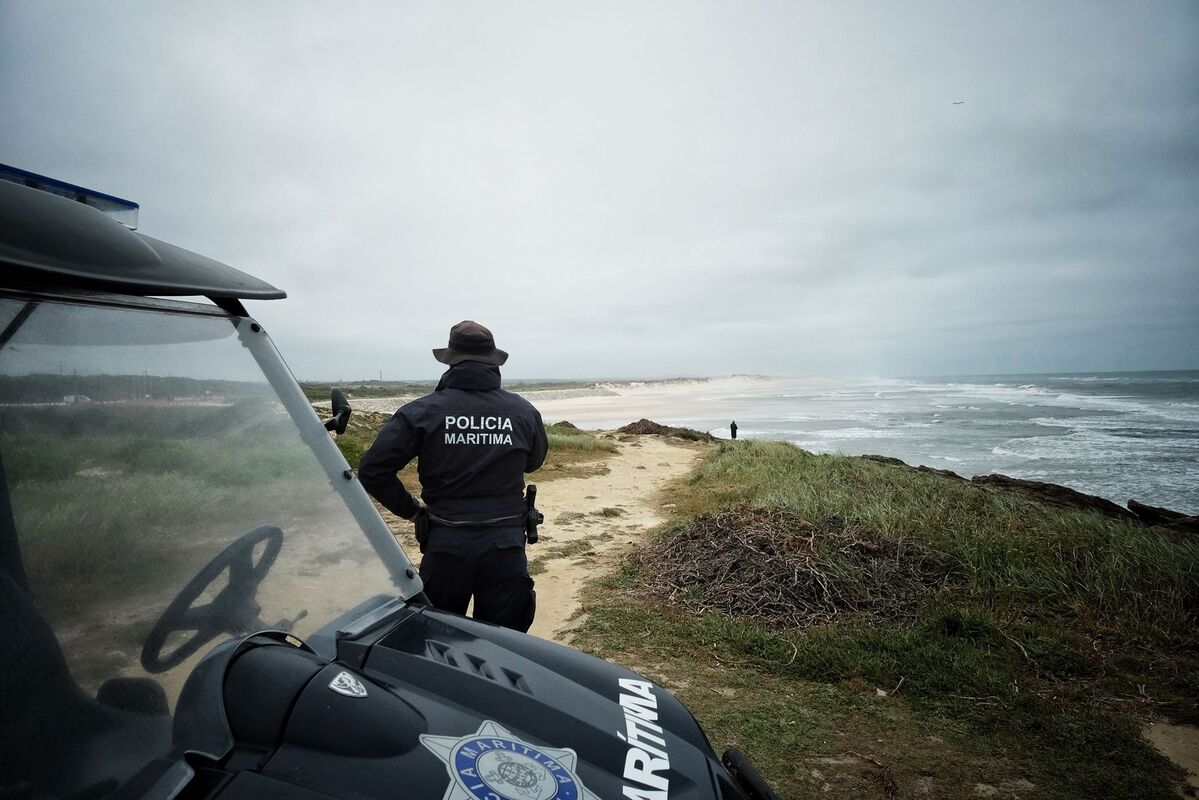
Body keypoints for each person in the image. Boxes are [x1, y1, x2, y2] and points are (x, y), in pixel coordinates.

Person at [358, 320, 548, 632]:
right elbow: (534, 463)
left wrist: (411, 511)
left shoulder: (421, 412)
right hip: (505, 544)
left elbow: (372, 470)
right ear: (493, 361)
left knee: (438, 639)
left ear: (450, 360)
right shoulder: (523, 412)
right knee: (506, 642)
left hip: (446, 543)